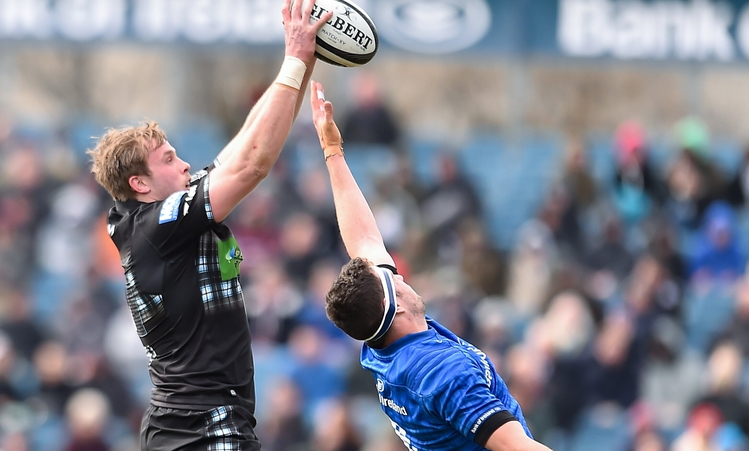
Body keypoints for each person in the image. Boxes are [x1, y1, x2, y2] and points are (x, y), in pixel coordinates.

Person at [85, 1, 332, 449]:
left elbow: (242, 149)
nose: (184, 165)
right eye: (168, 160)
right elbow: (253, 166)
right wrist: (295, 61)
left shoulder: (166, 210)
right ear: (139, 183)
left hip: (196, 422)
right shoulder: (154, 229)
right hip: (201, 426)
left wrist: (301, 62)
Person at [308, 80, 553, 451]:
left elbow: (364, 241)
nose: (399, 274)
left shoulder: (380, 343)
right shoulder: (439, 372)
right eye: (392, 279)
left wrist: (332, 150)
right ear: (398, 303)